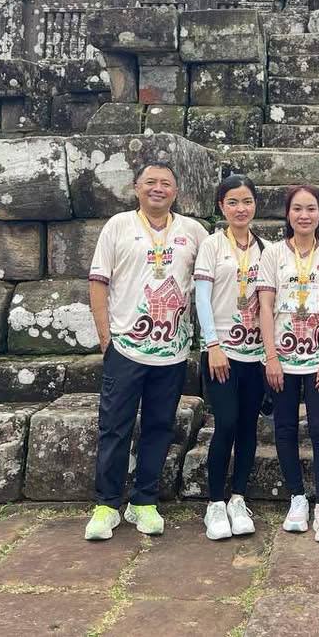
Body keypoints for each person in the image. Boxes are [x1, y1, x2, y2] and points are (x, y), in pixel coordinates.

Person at [83, 160, 209, 541]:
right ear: (136, 188)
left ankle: (144, 501)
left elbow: (213, 276)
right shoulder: (118, 226)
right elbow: (98, 282)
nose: (158, 188)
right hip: (126, 345)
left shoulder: (192, 231)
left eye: (166, 183)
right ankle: (107, 504)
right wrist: (106, 339)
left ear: (176, 191)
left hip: (171, 350)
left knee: (159, 426)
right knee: (114, 426)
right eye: (150, 182)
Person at [258, 185, 319, 543]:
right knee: (284, 428)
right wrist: (271, 357)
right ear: (288, 214)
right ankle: (297, 498)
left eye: (311, 208)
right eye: (297, 208)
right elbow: (265, 306)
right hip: (282, 356)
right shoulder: (273, 254)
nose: (304, 215)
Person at [195, 175, 265, 541]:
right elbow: (201, 298)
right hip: (221, 351)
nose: (241, 209)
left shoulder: (266, 249)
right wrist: (213, 345)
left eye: (247, 201)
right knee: (226, 422)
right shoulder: (211, 245)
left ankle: (238, 498)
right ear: (221, 206)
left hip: (256, 354)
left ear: (255, 205)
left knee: (249, 426)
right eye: (233, 202)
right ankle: (215, 502)